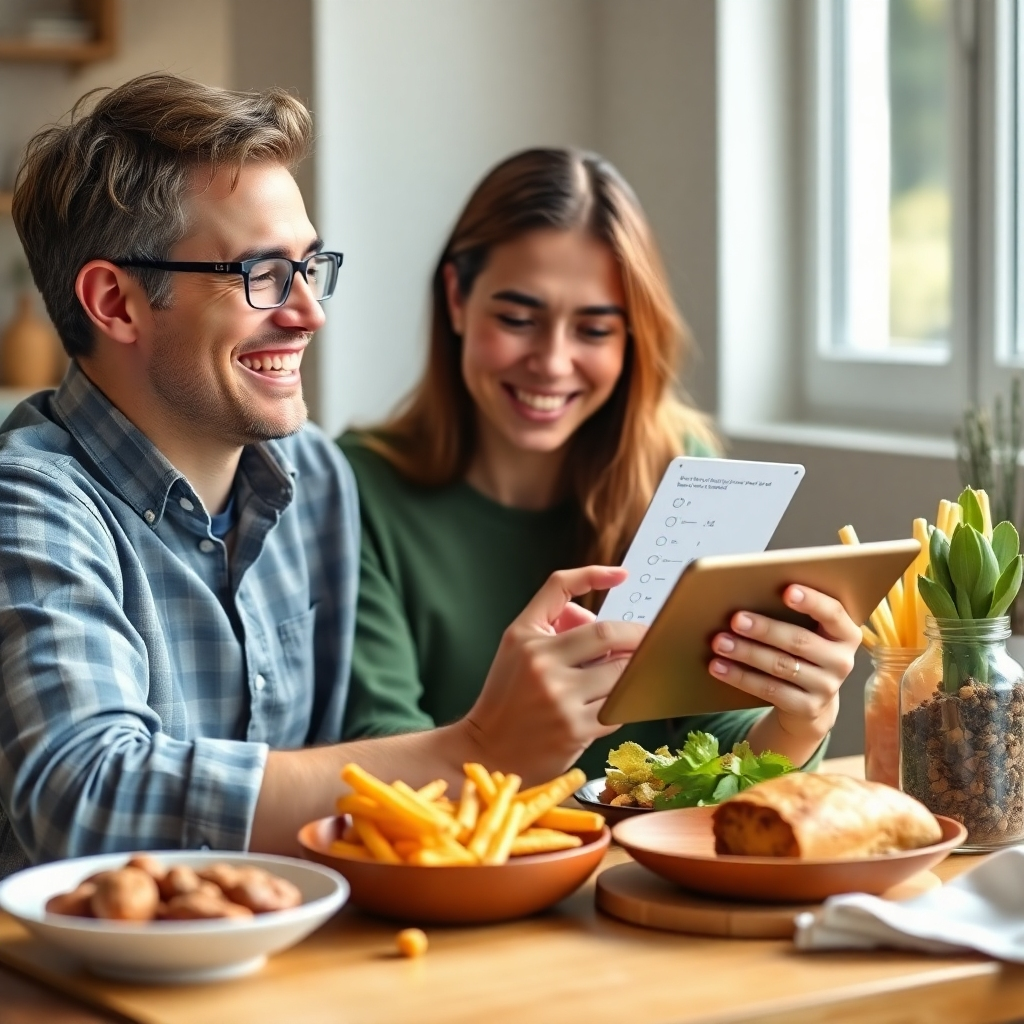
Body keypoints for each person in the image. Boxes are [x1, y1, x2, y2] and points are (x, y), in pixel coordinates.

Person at [0, 77, 652, 877]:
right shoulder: (30, 503)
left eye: (311, 268)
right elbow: (85, 793)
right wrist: (477, 744)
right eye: (263, 275)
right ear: (116, 302)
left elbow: (348, 765)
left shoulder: (313, 475)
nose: (309, 312)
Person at [339, 148, 861, 778]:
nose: (553, 362)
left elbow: (718, 748)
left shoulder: (682, 469)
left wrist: (797, 719)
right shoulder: (357, 487)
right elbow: (374, 747)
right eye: (517, 318)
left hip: (636, 868)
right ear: (456, 298)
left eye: (593, 330)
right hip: (462, 866)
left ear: (632, 336)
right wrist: (503, 732)